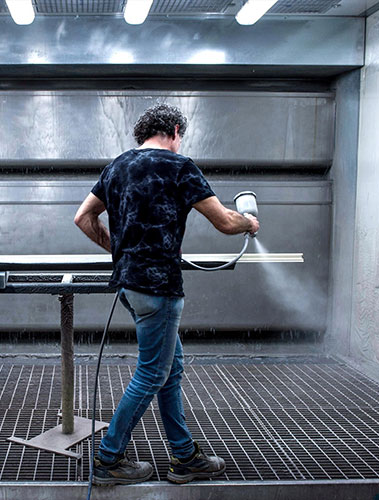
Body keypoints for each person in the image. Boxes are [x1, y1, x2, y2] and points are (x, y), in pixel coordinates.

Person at [74, 104, 259, 485]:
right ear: (174, 130)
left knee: (170, 369)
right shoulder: (179, 166)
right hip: (159, 289)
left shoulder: (117, 166)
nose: (179, 143)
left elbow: (83, 218)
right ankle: (108, 460)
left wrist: (121, 252)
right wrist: (249, 222)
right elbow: (224, 221)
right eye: (180, 137)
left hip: (129, 285)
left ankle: (184, 456)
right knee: (151, 373)